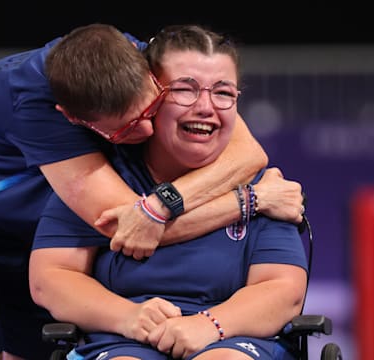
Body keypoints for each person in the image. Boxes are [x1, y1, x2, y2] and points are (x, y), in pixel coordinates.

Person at [0, 24, 303, 360]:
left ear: (150, 75)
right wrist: (251, 202)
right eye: (125, 129)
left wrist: (161, 203)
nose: (146, 131)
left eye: (151, 110)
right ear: (73, 119)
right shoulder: (36, 107)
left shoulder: (147, 59)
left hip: (30, 221)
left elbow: (249, 153)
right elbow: (136, 230)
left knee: (35, 347)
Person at [30, 25, 308, 360]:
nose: (205, 107)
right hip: (122, 339)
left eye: (223, 93)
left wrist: (211, 324)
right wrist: (128, 317)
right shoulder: (101, 180)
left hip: (234, 339)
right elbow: (51, 278)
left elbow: (282, 290)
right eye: (184, 90)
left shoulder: (267, 186)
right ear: (151, 93)